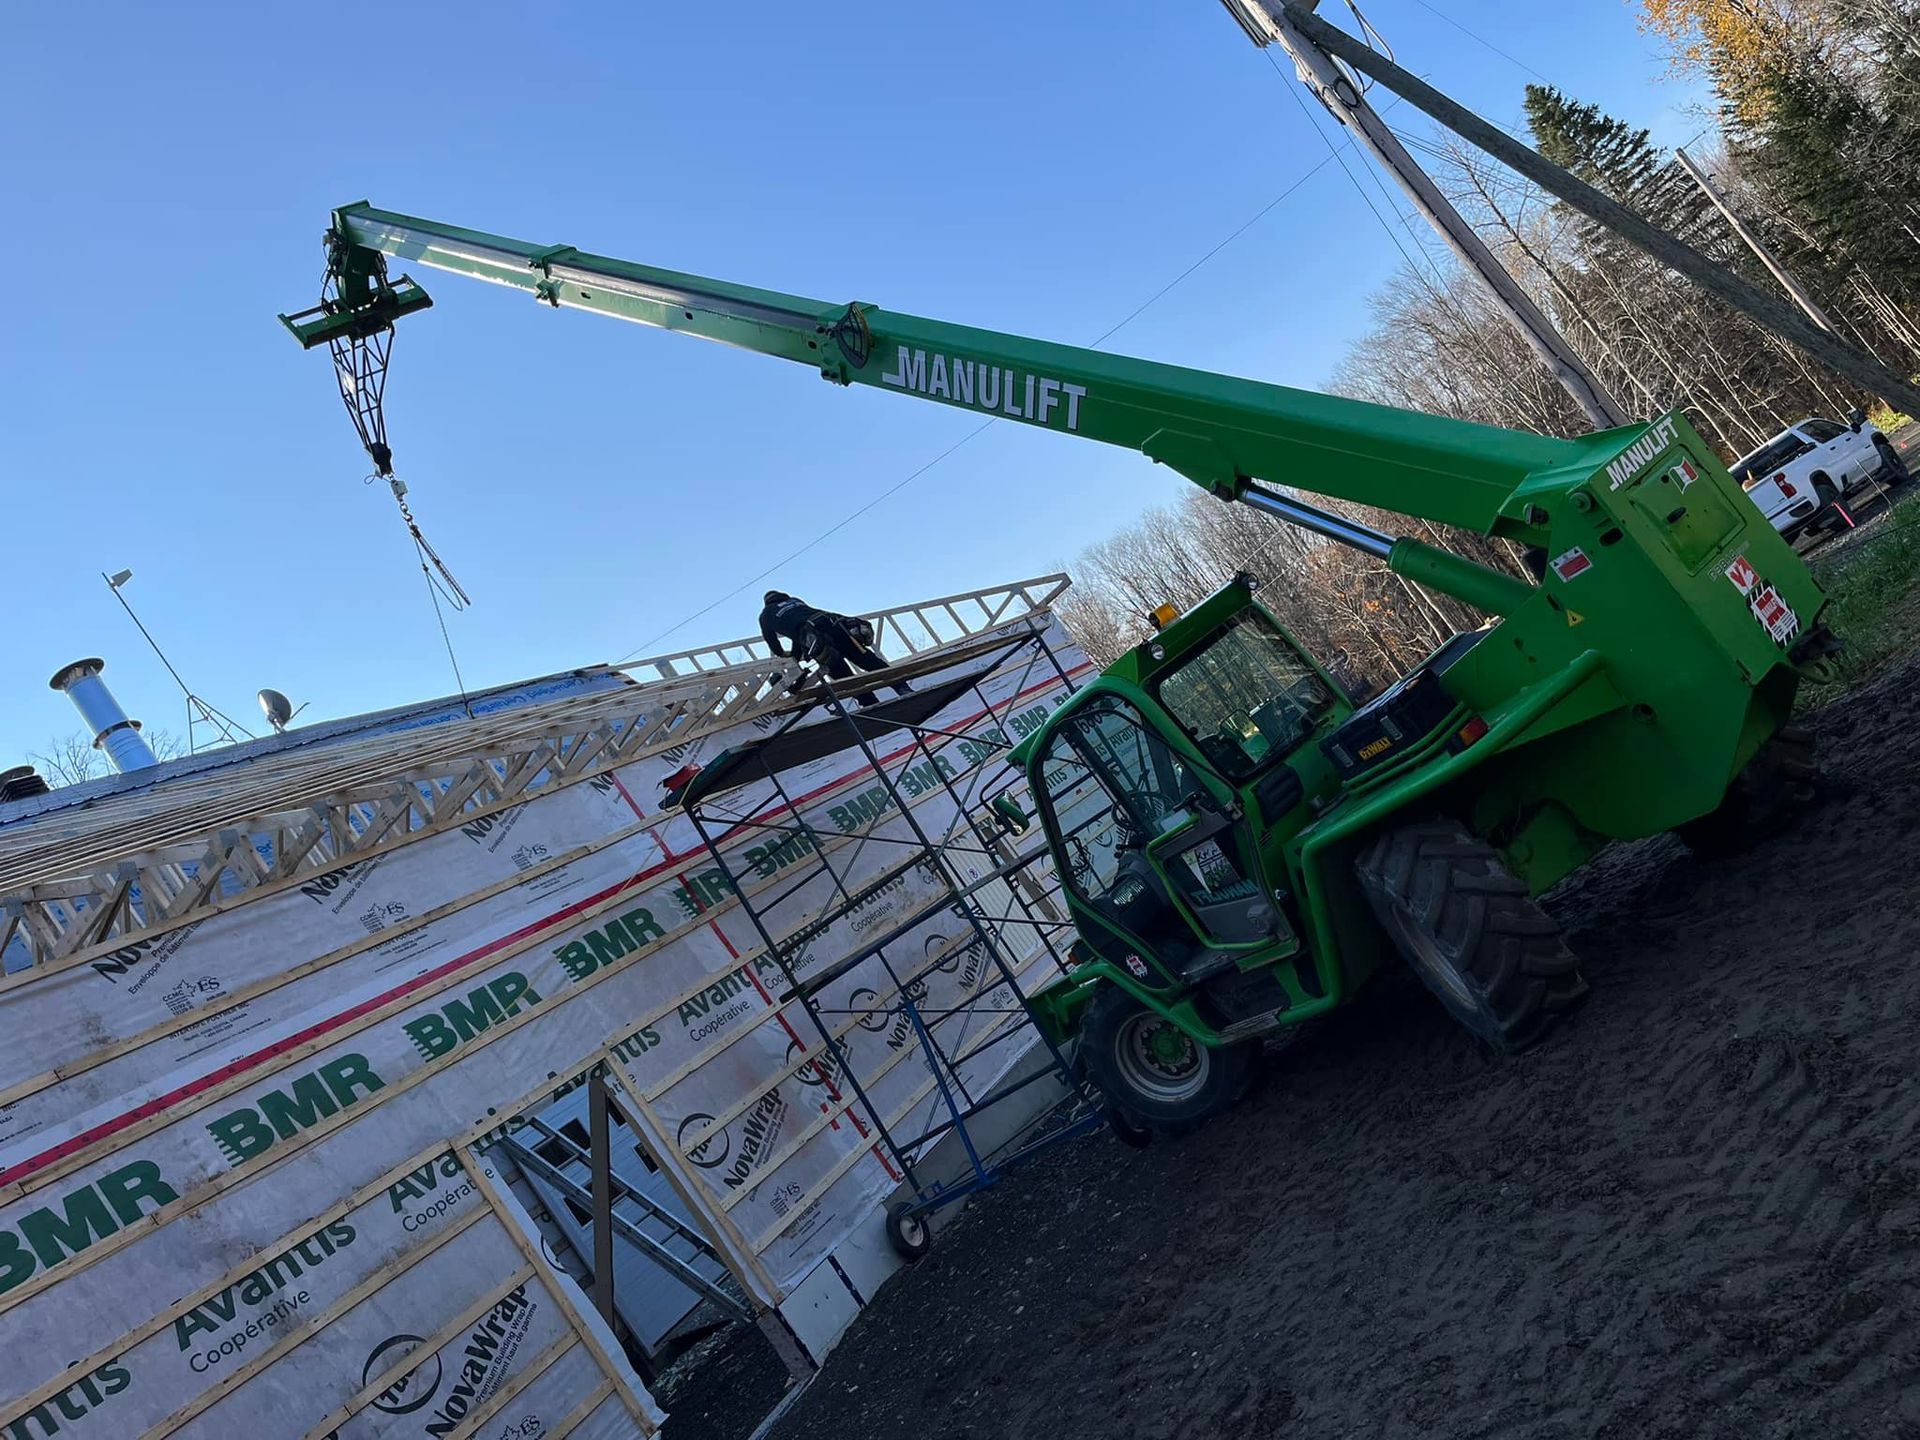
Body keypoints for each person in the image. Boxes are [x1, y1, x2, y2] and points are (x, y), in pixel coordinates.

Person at [758, 591, 911, 703]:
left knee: (841, 673)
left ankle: (870, 702)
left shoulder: (765, 615)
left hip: (815, 637)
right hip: (833, 624)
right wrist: (796, 654)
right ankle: (902, 688)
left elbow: (776, 640)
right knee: (866, 659)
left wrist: (787, 656)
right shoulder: (794, 600)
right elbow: (798, 634)